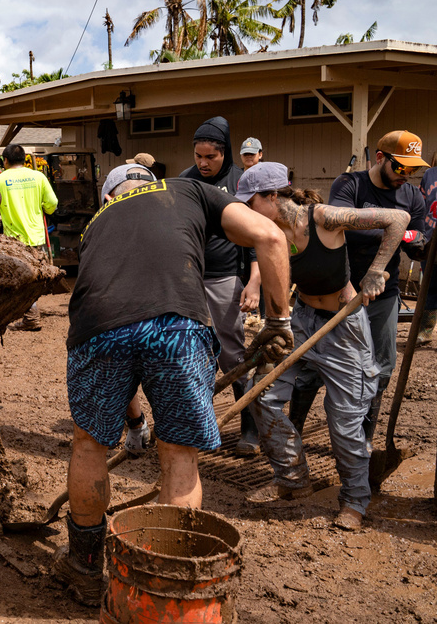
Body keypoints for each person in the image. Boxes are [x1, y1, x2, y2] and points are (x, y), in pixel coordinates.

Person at [54, 164, 292, 607]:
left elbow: (113, 313)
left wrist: (132, 419)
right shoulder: (189, 190)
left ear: (111, 195)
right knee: (179, 451)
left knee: (88, 445)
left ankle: (84, 568)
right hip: (177, 326)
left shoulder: (96, 223)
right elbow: (273, 237)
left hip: (98, 327)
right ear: (152, 184)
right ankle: (160, 581)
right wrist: (278, 321)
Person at [236, 162, 409, 530]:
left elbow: (397, 217)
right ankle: (293, 479)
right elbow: (275, 291)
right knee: (262, 395)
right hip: (301, 321)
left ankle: (355, 500)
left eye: (249, 202)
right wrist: (271, 332)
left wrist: (377, 270)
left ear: (272, 197)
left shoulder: (325, 217)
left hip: (344, 327)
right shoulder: (268, 235)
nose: (245, 212)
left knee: (344, 424)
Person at [290, 131, 429, 440]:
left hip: (382, 294)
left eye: (413, 171)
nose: (405, 177)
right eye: (401, 168)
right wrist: (395, 229)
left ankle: (363, 440)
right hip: (337, 291)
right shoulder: (349, 185)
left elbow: (415, 243)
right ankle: (293, 433)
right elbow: (343, 228)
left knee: (380, 368)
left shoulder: (412, 197)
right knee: (313, 365)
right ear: (380, 158)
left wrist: (418, 242)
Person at [179, 117, 261, 455]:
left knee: (232, 352)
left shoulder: (239, 180)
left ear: (224, 153)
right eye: (198, 156)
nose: (203, 163)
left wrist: (254, 280)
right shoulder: (185, 180)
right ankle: (199, 427)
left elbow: (254, 234)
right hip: (190, 277)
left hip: (225, 278)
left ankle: (251, 427)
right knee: (192, 353)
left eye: (210, 156)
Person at [0, 143, 58, 331]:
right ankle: (30, 314)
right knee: (35, 277)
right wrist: (44, 207)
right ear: (23, 160)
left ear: (5, 160)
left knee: (21, 278)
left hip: (14, 240)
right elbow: (52, 204)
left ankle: (30, 317)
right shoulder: (38, 177)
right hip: (36, 236)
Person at [416, 150, 437, 344]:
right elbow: (422, 204)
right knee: (429, 286)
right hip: (431, 239)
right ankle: (425, 331)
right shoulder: (430, 174)